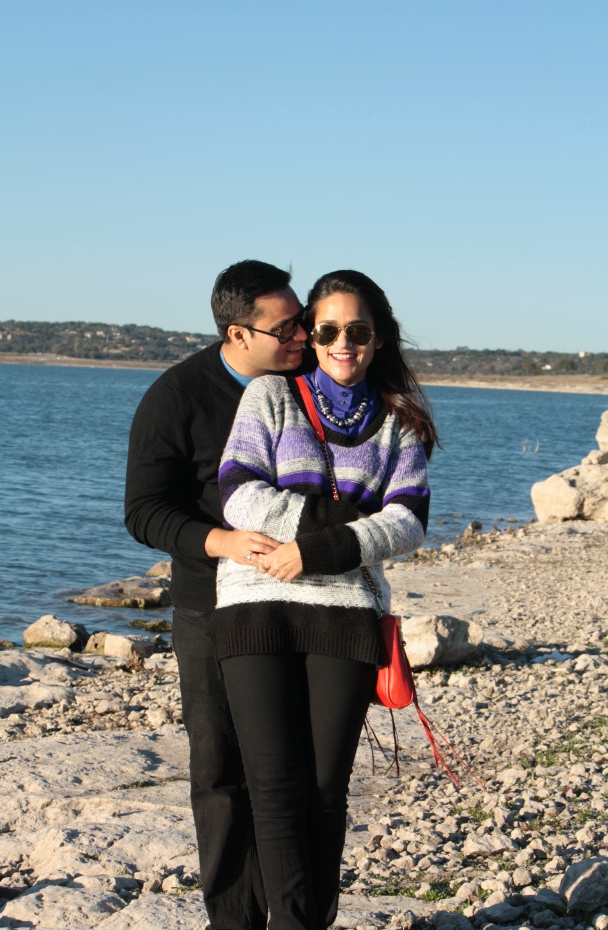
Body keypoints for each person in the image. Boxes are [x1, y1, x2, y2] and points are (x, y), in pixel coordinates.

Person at [208, 269, 438, 930]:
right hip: (255, 606)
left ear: (378, 337)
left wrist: (315, 550)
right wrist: (346, 525)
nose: (343, 343)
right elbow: (240, 494)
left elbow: (409, 522)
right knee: (274, 788)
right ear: (310, 334)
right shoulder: (270, 395)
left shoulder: (398, 422)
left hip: (344, 614)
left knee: (325, 790)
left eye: (358, 331)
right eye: (328, 329)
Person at [124, 260, 310, 930]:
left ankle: (299, 917)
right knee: (222, 771)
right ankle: (234, 922)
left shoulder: (311, 385)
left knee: (299, 771)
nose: (302, 336)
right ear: (238, 333)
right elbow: (144, 511)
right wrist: (223, 542)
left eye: (303, 321)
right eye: (286, 328)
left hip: (307, 599)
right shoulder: (176, 396)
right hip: (213, 608)